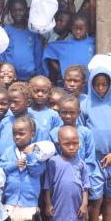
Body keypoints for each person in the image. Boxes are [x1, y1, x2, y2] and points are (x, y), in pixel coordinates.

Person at [49, 95, 102, 220]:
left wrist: (82, 176)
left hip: (82, 178)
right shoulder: (54, 132)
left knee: (83, 207)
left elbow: (90, 158)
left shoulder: (86, 132)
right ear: (59, 113)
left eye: (72, 112)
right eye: (64, 112)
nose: (68, 116)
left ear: (79, 113)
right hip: (60, 180)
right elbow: (53, 158)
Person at [0, 116, 45, 221]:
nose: (17, 137)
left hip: (29, 202)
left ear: (32, 134)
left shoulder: (37, 152)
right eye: (14, 133)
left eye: (21, 134)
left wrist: (30, 156)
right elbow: (1, 168)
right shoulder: (8, 151)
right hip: (11, 200)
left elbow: (37, 172)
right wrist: (14, 164)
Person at [80, 67, 111, 219]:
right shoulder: (85, 104)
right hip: (93, 160)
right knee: (96, 199)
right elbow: (81, 132)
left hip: (110, 158)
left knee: (109, 199)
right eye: (96, 84)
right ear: (91, 84)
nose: (100, 88)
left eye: (104, 84)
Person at [44, 126, 89, 221]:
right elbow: (47, 187)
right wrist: (48, 204)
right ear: (58, 144)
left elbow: (85, 188)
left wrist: (84, 205)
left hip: (77, 210)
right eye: (67, 144)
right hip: (58, 208)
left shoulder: (81, 164)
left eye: (75, 143)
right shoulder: (53, 162)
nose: (72, 147)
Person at [0, 0, 43, 81]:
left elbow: (38, 54)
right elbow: (1, 54)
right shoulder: (6, 31)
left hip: (30, 77)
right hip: (9, 77)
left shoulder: (33, 31)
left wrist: (39, 75)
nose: (17, 13)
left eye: (21, 10)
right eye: (14, 10)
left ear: (26, 11)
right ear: (10, 12)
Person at [43, 13, 95, 84]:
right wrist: (61, 70)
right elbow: (48, 50)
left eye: (81, 29)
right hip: (69, 84)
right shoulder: (64, 45)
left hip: (88, 83)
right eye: (75, 28)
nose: (78, 31)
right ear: (71, 28)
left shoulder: (93, 42)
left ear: (86, 29)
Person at [27, 76, 63, 141]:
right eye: (36, 91)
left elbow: (57, 137)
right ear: (29, 91)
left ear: (49, 94)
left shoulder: (53, 115)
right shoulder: (25, 112)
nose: (40, 94)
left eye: (44, 92)